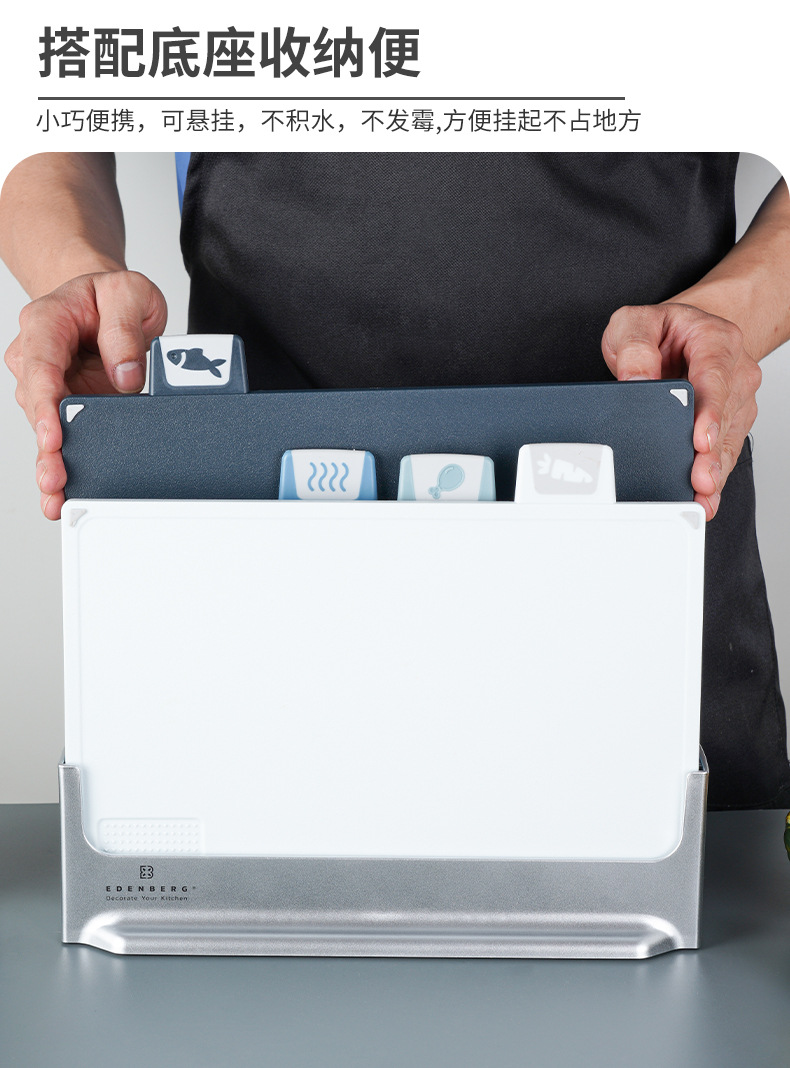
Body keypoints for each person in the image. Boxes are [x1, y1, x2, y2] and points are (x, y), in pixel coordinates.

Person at [2, 151, 790, 809]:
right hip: (266, 534)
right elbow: (48, 115)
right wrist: (79, 274)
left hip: (638, 513)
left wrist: (728, 317)